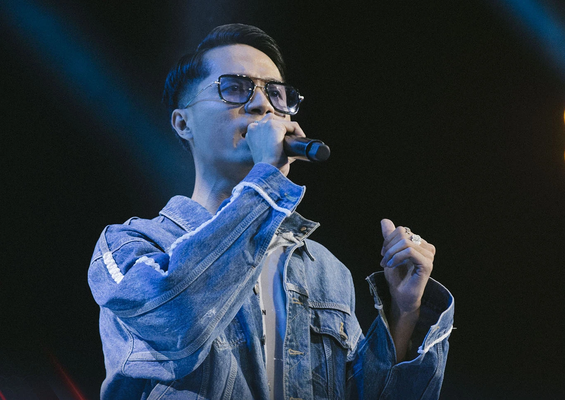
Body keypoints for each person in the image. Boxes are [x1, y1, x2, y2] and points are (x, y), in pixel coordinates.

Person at [88, 23, 454, 400]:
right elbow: (173, 324)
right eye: (235, 87)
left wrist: (405, 312)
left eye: (275, 93)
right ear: (183, 123)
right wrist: (266, 180)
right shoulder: (130, 247)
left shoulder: (326, 271)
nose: (262, 105)